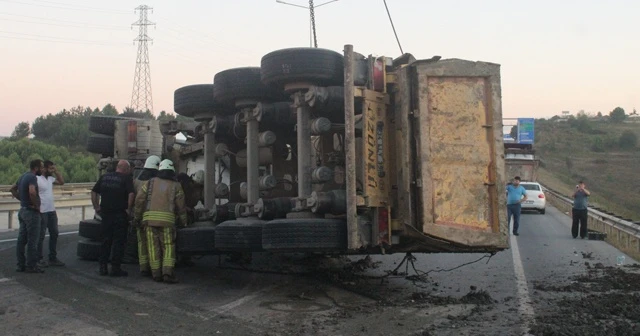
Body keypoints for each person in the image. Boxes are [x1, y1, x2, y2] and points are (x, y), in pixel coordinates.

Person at [134, 159, 188, 284]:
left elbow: (139, 200)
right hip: (167, 223)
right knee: (168, 247)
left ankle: (156, 274)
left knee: (153, 248)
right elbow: (181, 206)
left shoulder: (149, 183)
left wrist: (137, 217)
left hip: (149, 222)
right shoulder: (176, 185)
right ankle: (167, 273)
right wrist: (184, 221)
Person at [91, 160, 135, 277]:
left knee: (105, 241)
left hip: (106, 214)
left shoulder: (105, 177)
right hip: (120, 214)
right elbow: (131, 194)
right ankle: (115, 268)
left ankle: (103, 267)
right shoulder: (126, 179)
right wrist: (129, 209)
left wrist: (96, 207)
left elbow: (94, 191)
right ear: (126, 169)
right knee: (118, 242)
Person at [10, 159, 45, 273]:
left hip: (23, 210)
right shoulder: (32, 177)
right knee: (33, 240)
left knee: (21, 239)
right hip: (31, 212)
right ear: (36, 168)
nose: (42, 169)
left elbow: (12, 189)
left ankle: (20, 264)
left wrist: (22, 199)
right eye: (41, 167)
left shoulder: (23, 176)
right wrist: (36, 206)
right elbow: (32, 192)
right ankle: (31, 265)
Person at [133, 155, 161, 277]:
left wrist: (135, 217)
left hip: (139, 215)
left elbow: (136, 200)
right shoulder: (156, 182)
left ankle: (143, 267)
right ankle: (155, 268)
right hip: (152, 217)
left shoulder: (136, 181)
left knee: (141, 242)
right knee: (154, 243)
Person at [36, 160, 66, 268]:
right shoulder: (38, 179)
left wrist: (56, 171)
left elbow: (62, 182)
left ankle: (52, 257)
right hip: (42, 210)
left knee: (54, 232)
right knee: (41, 235)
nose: (51, 170)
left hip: (51, 210)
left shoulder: (50, 179)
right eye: (50, 168)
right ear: (43, 168)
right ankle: (38, 258)